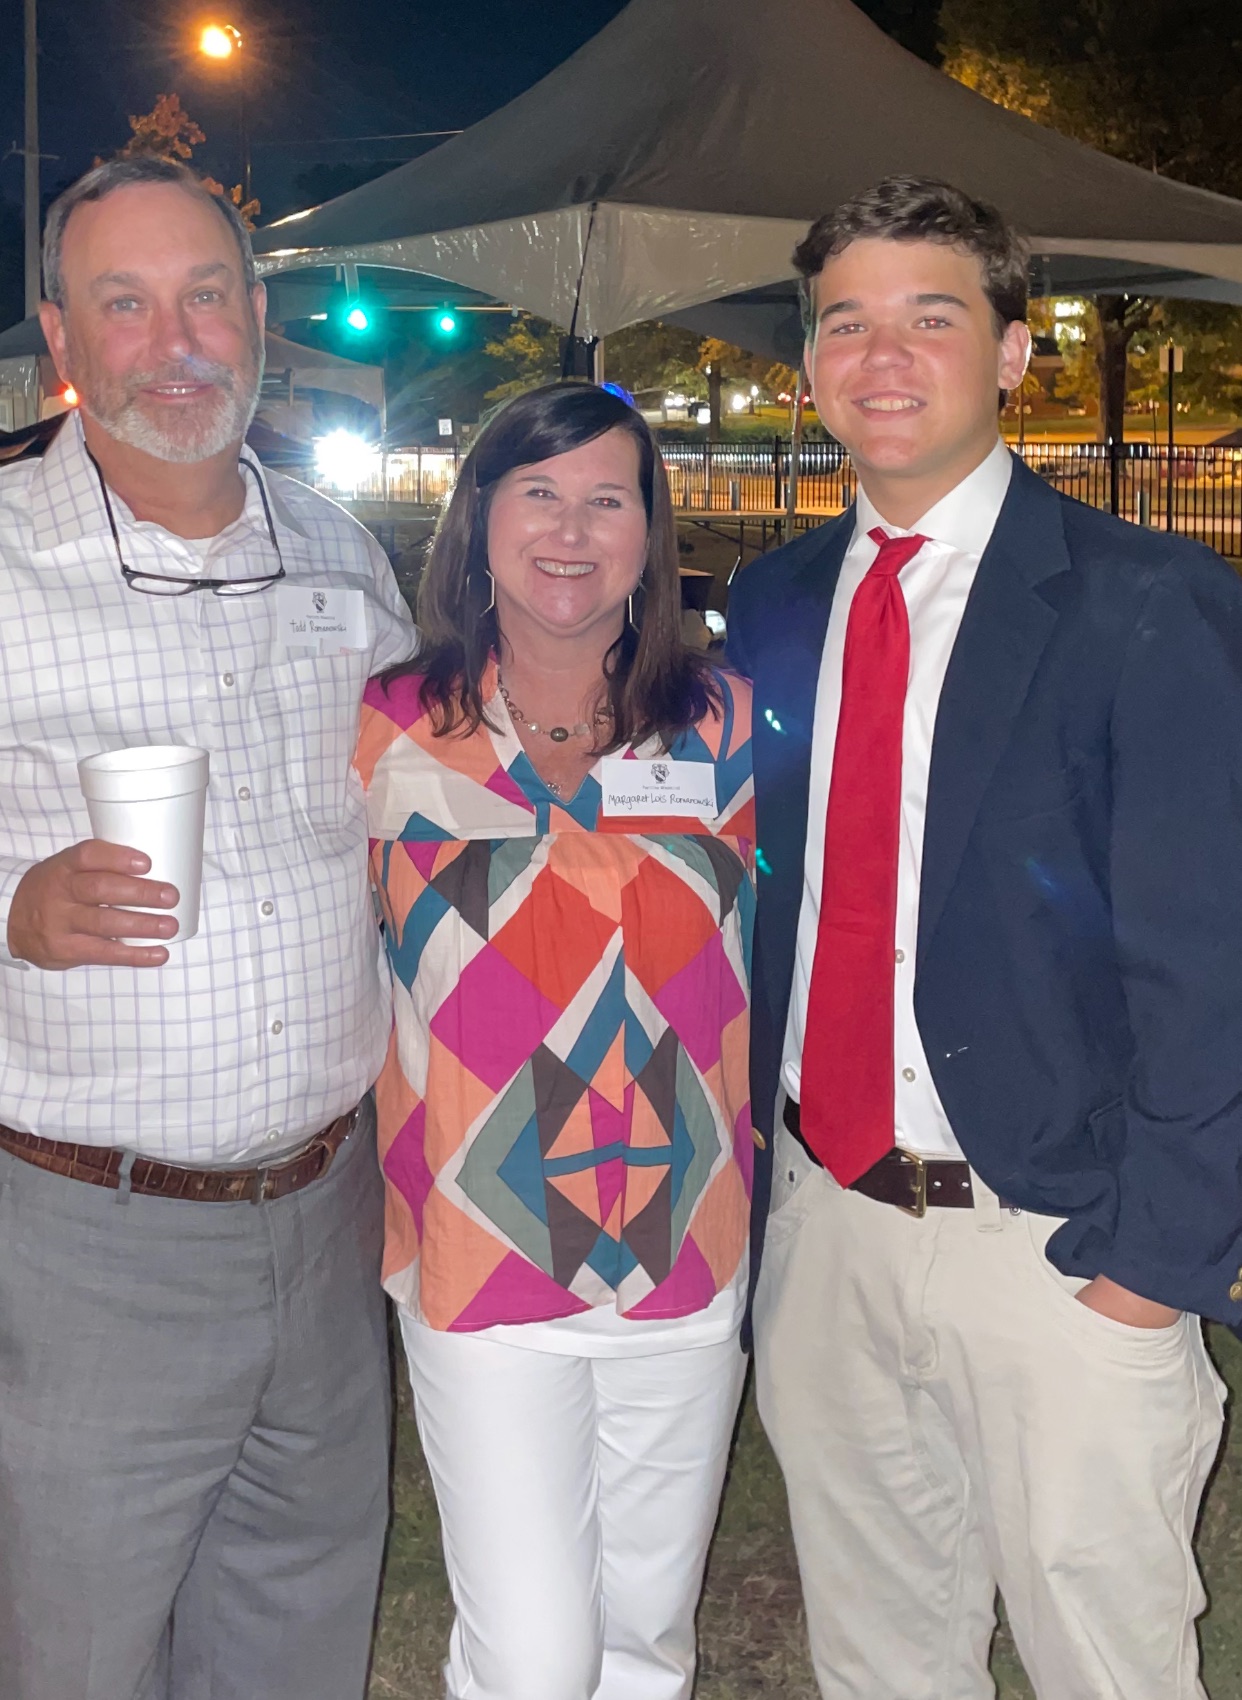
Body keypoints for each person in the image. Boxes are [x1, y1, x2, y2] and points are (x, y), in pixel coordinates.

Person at [726, 174, 1240, 1700]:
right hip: (826, 1227)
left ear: (1013, 352)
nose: (882, 359)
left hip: (1056, 1247)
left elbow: (1210, 965)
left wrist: (1151, 1266)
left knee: (1106, 1665)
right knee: (879, 1660)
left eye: (930, 319)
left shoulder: (1147, 600)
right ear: (808, 365)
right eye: (845, 325)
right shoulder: (770, 600)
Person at [0, 156, 414, 1700]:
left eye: (204, 293)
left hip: (323, 1217)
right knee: (73, 1649)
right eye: (125, 301)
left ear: (258, 313)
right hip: (82, 1236)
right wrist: (15, 905)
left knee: (295, 1626)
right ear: (64, 334)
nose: (173, 339)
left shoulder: (337, 551)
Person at [357, 381, 755, 1700]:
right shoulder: (387, 726)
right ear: (477, 524)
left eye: (607, 498)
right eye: (537, 494)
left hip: (688, 1246)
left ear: (651, 531)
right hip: (484, 1253)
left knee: (645, 1640)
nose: (570, 532)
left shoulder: (727, 726)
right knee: (532, 1659)